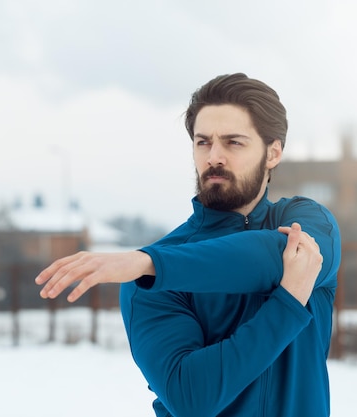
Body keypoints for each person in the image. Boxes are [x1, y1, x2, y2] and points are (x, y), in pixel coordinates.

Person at [35, 73, 341, 417]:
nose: (214, 157)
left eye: (233, 143)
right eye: (203, 142)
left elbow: (270, 255)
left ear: (272, 153)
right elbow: (192, 398)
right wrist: (287, 304)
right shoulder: (149, 280)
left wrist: (153, 264)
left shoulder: (307, 221)